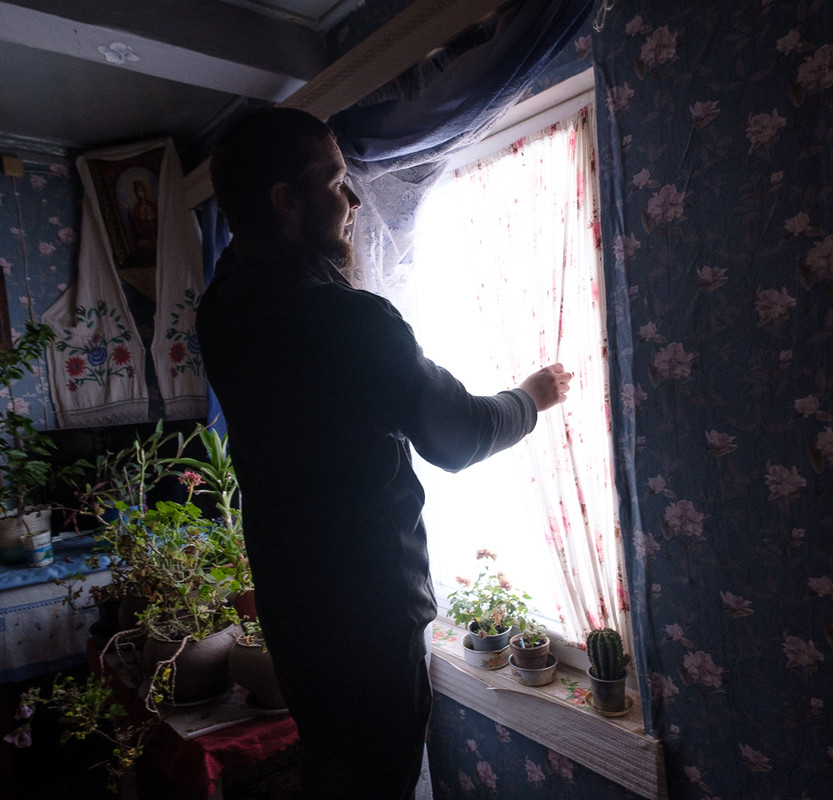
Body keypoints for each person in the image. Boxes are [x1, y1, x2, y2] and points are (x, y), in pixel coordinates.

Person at [196, 107, 571, 800]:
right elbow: (456, 435)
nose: (353, 200)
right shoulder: (347, 321)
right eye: (335, 182)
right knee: (379, 782)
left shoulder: (222, 304)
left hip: (293, 606)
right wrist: (530, 397)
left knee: (332, 772)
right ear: (286, 201)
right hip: (368, 621)